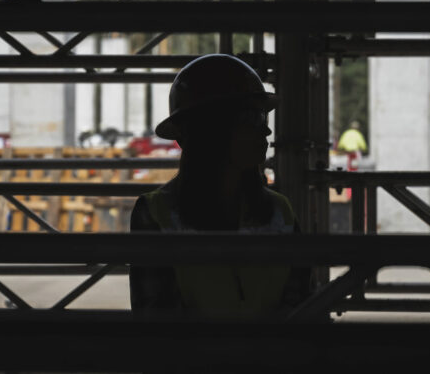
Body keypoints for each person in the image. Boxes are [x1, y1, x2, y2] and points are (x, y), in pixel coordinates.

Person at [129, 54, 311, 318]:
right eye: (254, 118)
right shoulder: (155, 214)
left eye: (264, 117)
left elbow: (300, 305)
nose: (266, 132)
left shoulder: (280, 212)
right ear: (210, 130)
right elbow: (159, 326)